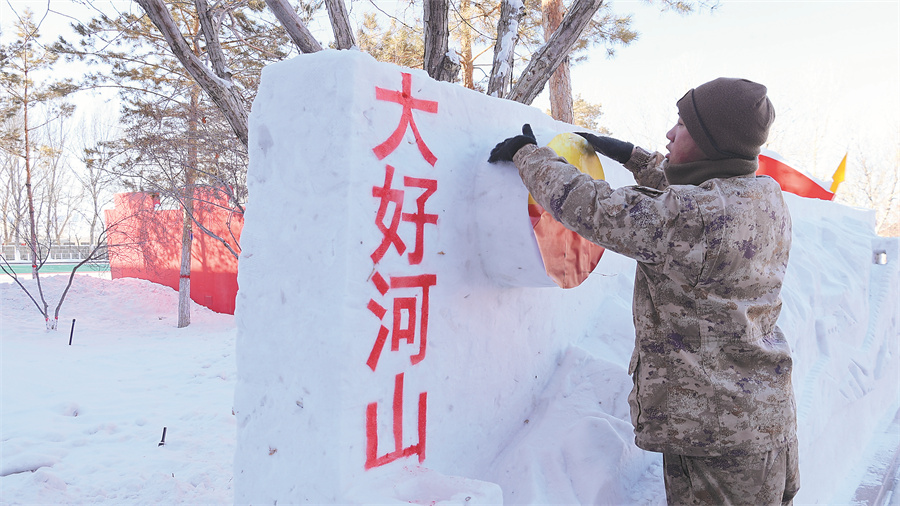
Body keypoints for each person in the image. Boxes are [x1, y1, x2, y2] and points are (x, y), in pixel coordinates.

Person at [488, 77, 800, 505]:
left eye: (682, 125)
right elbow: (696, 200)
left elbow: (595, 209)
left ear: (713, 142)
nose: (670, 134)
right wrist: (635, 158)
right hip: (761, 423)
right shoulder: (763, 197)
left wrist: (530, 157)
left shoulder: (696, 217)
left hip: (716, 439)